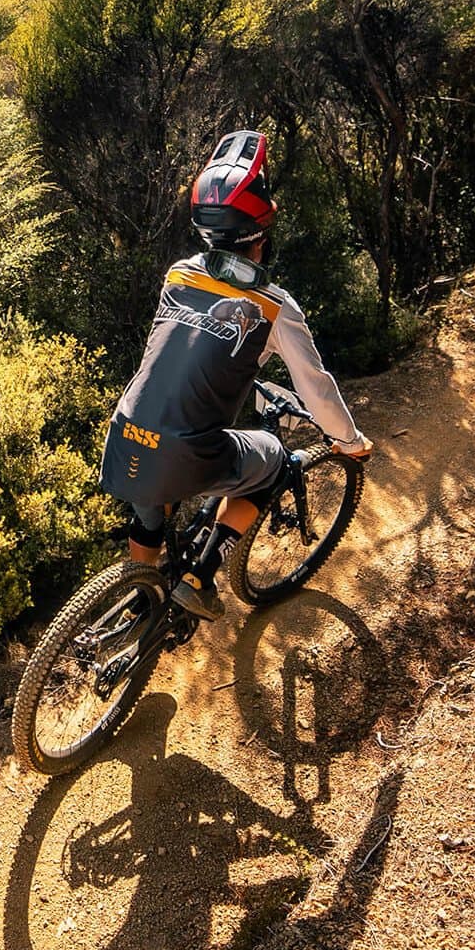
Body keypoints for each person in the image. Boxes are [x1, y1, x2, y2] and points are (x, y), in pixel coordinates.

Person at [98, 129, 375, 620]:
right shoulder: (273, 306)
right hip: (185, 451)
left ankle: (142, 606)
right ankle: (199, 578)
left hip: (125, 434)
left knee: (148, 513)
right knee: (275, 466)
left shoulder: (179, 274)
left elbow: (189, 353)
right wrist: (348, 441)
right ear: (262, 239)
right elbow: (315, 385)